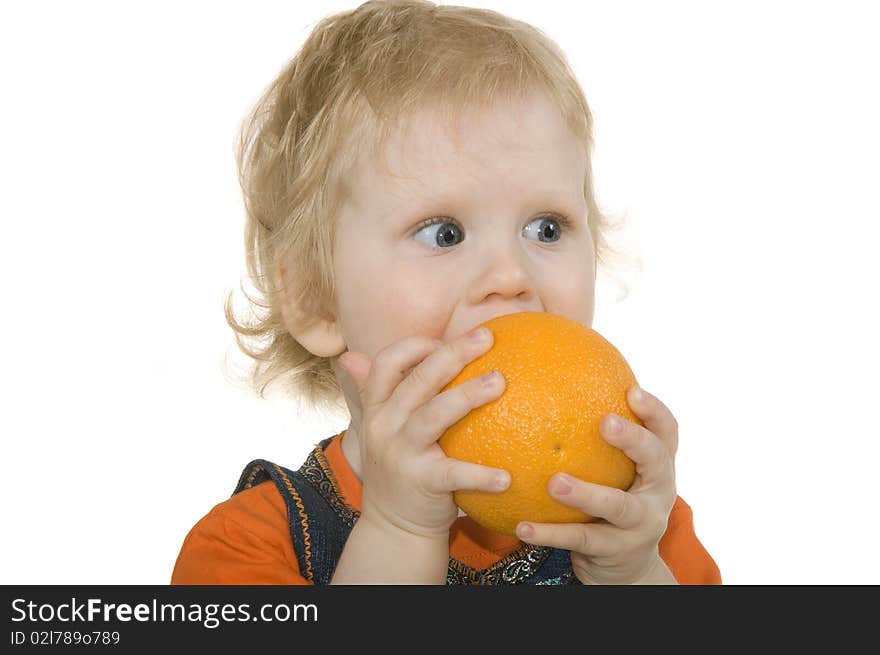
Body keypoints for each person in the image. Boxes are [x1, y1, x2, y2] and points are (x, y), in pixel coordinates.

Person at [172, 0, 721, 585]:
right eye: (445, 234)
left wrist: (635, 574)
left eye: (547, 228)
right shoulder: (246, 547)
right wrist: (400, 530)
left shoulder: (636, 525)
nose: (511, 277)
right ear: (315, 298)